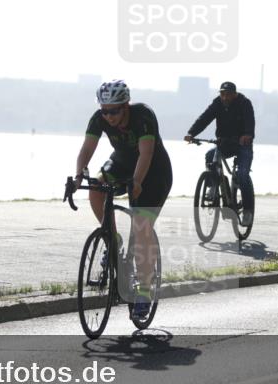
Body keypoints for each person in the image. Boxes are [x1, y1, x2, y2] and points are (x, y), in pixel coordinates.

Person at [73, 80, 172, 316]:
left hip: (154, 172)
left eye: (114, 110)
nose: (108, 116)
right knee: (96, 188)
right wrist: (78, 175)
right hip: (122, 162)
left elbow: (146, 153)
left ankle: (145, 293)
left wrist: (137, 182)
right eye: (104, 110)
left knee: (141, 230)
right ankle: (112, 238)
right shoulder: (99, 118)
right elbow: (87, 149)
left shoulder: (143, 115)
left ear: (126, 105)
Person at [183, 81, 256, 225]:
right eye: (222, 94)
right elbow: (204, 118)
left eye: (228, 94)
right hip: (225, 143)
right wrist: (191, 132)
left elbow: (250, 121)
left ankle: (247, 211)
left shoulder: (244, 103)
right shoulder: (217, 103)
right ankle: (212, 186)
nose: (225, 97)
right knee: (210, 155)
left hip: (243, 145)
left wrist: (247, 134)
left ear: (235, 94)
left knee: (242, 175)